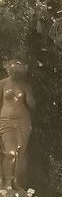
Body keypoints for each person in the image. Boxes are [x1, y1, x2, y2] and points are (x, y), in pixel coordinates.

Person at [0, 58, 34, 190]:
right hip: (6, 121)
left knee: (21, 154)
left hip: (23, 121)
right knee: (10, 153)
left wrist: (29, 97)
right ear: (8, 69)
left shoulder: (25, 86)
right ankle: (7, 182)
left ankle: (16, 182)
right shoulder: (2, 84)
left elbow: (32, 105)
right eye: (12, 69)